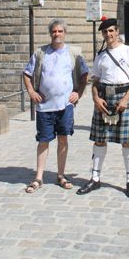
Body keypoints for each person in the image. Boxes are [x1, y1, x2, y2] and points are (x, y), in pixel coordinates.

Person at [76, 18, 129, 199]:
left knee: (127, 141)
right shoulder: (101, 55)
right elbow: (95, 81)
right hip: (104, 99)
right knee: (99, 140)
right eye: (105, 32)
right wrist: (95, 98)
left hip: (123, 97)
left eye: (111, 31)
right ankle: (95, 178)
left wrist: (126, 99)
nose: (108, 34)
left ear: (117, 31)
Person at [23, 18, 88, 193]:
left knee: (63, 139)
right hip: (44, 106)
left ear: (64, 33)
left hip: (65, 105)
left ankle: (60, 175)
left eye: (60, 31)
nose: (57, 34)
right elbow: (27, 74)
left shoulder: (73, 53)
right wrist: (31, 92)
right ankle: (38, 178)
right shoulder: (40, 53)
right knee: (43, 141)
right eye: (54, 31)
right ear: (50, 33)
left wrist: (78, 93)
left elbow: (85, 75)